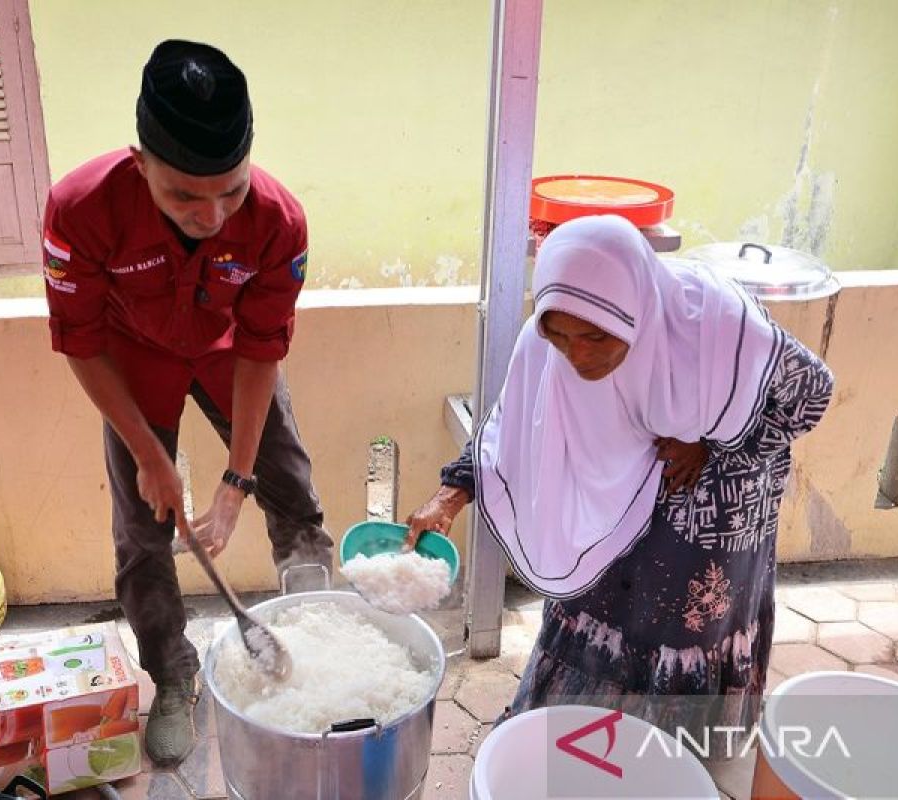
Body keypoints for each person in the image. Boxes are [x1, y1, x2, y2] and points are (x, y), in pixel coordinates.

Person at [406, 215, 833, 755]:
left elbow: (812, 396)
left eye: (595, 336)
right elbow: (509, 425)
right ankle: (566, 742)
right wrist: (452, 494)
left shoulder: (716, 328)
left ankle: (669, 761)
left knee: (678, 636)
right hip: (611, 514)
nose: (577, 355)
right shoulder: (549, 337)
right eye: (559, 336)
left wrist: (711, 441)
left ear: (636, 312)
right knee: (596, 612)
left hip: (706, 516)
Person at [41, 40, 334, 765]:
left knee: (291, 491)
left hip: (231, 351)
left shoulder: (277, 221)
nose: (211, 215)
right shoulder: (80, 209)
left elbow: (263, 348)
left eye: (229, 191)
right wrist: (150, 455)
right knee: (142, 531)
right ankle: (173, 675)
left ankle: (320, 633)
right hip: (129, 357)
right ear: (140, 163)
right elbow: (80, 341)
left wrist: (235, 482)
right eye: (184, 195)